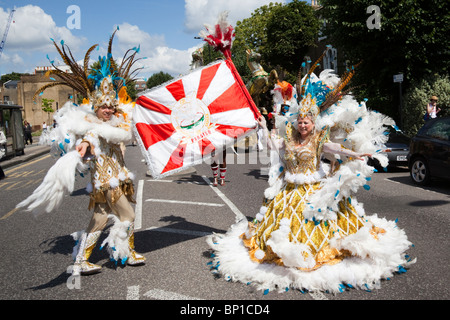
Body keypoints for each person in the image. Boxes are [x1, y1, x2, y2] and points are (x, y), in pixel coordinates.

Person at [207, 59, 415, 294]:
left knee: (319, 225)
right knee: (283, 229)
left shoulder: (318, 140)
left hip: (315, 192)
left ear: (313, 123)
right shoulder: (288, 139)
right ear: (296, 122)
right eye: (300, 121)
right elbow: (270, 146)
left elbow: (337, 149)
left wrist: (357, 153)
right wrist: (263, 127)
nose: (302, 124)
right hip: (289, 192)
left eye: (306, 122)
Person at [16, 31, 146, 276]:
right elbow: (89, 138)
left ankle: (81, 262)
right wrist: (83, 146)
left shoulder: (116, 125)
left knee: (99, 219)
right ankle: (125, 253)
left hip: (112, 180)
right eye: (103, 106)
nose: (107, 110)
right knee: (128, 214)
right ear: (96, 107)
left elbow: (126, 131)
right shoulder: (92, 127)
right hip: (108, 183)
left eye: (110, 106)